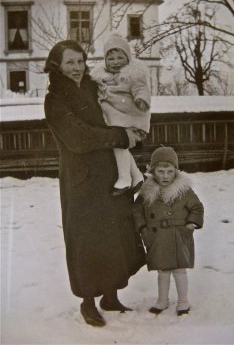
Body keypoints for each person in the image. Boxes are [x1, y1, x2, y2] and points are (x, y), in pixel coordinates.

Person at [44, 40, 146, 327]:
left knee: (114, 234)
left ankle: (110, 296)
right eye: (69, 63)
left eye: (80, 61)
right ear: (57, 66)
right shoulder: (55, 100)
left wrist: (134, 125)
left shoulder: (96, 85)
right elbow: (79, 138)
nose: (76, 68)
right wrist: (120, 136)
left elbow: (120, 109)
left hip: (111, 174)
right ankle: (88, 302)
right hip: (81, 180)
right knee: (86, 240)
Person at [133, 146, 204, 316]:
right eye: (161, 171)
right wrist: (143, 228)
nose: (165, 176)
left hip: (179, 235)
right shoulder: (147, 191)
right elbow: (137, 211)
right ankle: (162, 301)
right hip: (157, 237)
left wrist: (191, 223)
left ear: (176, 172)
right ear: (152, 171)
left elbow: (197, 207)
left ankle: (183, 301)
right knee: (162, 270)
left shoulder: (184, 190)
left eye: (169, 171)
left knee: (180, 270)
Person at [91, 33, 151, 196]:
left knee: (119, 143)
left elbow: (141, 88)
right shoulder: (101, 76)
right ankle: (137, 176)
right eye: (111, 59)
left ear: (128, 58)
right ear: (105, 61)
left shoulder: (133, 73)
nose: (116, 62)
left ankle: (125, 178)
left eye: (120, 57)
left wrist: (141, 98)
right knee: (119, 144)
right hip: (117, 118)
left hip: (132, 117)